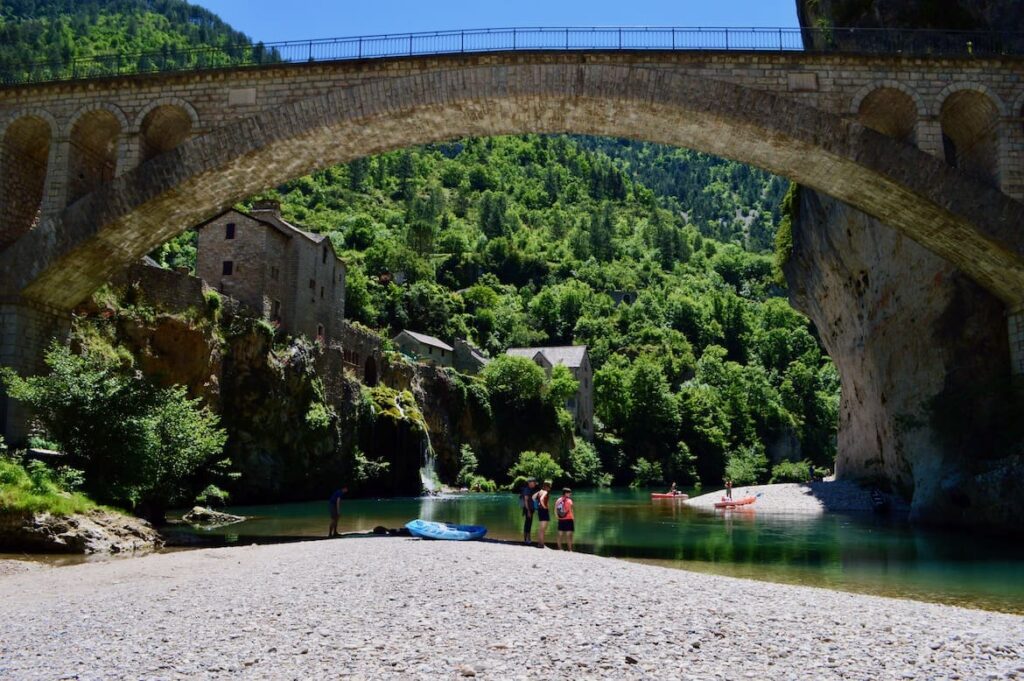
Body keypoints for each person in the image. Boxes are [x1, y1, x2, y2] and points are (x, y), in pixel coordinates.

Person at [532, 481, 552, 548]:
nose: (550, 488)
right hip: (544, 510)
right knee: (543, 528)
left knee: (541, 528)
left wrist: (539, 505)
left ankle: (540, 543)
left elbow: (533, 497)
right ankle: (541, 544)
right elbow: (541, 499)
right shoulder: (545, 492)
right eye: (550, 486)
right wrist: (544, 506)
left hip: (540, 511)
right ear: (547, 486)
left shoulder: (539, 491)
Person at [555, 487, 574, 552]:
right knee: (569, 535)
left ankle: (559, 548)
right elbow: (570, 510)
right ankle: (570, 549)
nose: (570, 494)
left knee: (560, 534)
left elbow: (555, 510)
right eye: (569, 493)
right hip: (569, 519)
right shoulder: (569, 500)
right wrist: (572, 518)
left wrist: (558, 517)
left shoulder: (558, 500)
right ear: (565, 493)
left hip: (561, 519)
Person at [520, 478, 538, 544]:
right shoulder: (527, 489)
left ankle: (527, 538)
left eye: (535, 483)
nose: (535, 484)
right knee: (528, 524)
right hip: (528, 509)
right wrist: (528, 511)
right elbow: (526, 500)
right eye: (534, 483)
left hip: (530, 509)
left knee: (528, 523)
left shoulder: (530, 489)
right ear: (530, 483)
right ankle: (527, 539)